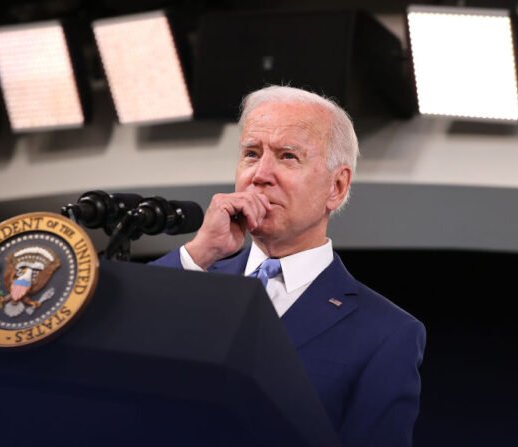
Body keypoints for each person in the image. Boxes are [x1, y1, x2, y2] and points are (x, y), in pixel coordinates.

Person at [151, 85, 425, 446]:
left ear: (337, 187)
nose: (261, 174)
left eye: (287, 156)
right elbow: (116, 334)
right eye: (251, 153)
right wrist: (200, 252)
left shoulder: (386, 334)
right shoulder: (193, 280)